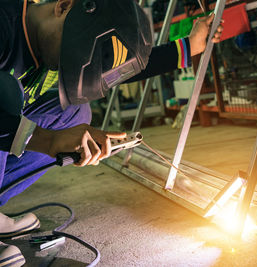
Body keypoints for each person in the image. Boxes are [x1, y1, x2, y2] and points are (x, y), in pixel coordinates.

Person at [0, 0, 223, 265]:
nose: (66, 67)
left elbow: (101, 62)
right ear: (64, 6)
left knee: (75, 115)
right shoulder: (4, 23)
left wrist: (187, 48)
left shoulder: (55, 37)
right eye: (69, 57)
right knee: (6, 97)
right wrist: (47, 140)